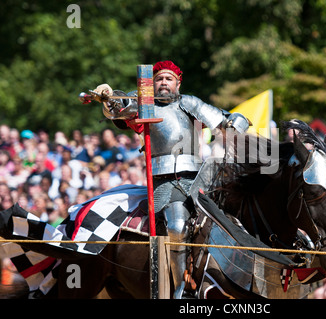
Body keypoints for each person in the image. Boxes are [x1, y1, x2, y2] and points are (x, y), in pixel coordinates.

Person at [92, 60, 249, 298]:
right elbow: (121, 107)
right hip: (165, 181)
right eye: (159, 79)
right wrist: (108, 98)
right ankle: (181, 288)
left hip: (199, 178)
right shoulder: (145, 103)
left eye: (168, 79)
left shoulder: (190, 102)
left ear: (178, 82)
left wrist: (237, 121)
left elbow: (223, 121)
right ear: (152, 83)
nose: (163, 83)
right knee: (177, 226)